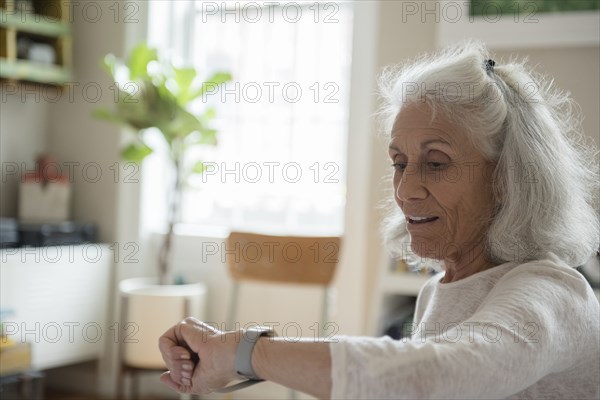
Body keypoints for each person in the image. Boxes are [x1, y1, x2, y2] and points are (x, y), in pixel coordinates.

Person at [158, 41, 600, 399]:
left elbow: (438, 375)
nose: (406, 189)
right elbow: (398, 370)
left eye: (437, 162)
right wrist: (231, 351)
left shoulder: (553, 292)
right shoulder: (439, 291)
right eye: (399, 162)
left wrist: (243, 352)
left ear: (506, 177)